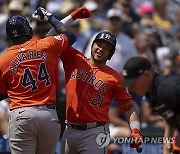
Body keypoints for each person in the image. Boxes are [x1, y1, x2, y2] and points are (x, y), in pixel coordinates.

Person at [41, 11, 142, 152]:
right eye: (99, 44)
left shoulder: (114, 78)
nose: (101, 49)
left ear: (111, 54)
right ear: (92, 45)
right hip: (69, 130)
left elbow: (129, 107)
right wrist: (71, 17)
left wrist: (136, 130)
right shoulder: (75, 58)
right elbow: (49, 39)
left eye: (106, 48)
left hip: (95, 132)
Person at [0, 6, 91, 154]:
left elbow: (1, 93)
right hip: (48, 115)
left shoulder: (3, 59)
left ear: (9, 36)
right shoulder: (44, 45)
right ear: (29, 31)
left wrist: (16, 88)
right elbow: (69, 35)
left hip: (22, 114)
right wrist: (50, 17)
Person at [122, 56, 180, 154]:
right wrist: (167, 140)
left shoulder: (169, 89)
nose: (131, 88)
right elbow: (169, 115)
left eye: (133, 83)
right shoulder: (151, 93)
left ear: (147, 75)